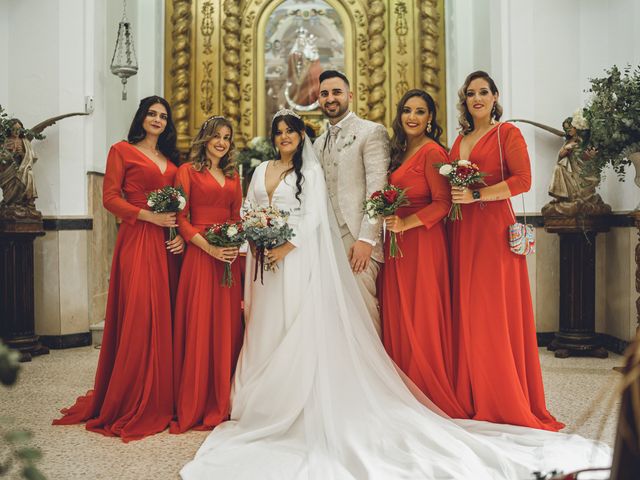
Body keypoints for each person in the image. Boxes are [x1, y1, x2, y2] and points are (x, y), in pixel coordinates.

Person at [179, 109, 610, 480]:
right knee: (263, 327)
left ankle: (290, 397)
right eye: (279, 132)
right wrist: (259, 237)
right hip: (262, 261)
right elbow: (249, 210)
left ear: (300, 136)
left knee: (297, 325)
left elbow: (314, 217)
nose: (285, 137)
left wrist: (286, 246)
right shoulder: (257, 171)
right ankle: (256, 398)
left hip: (295, 258)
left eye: (291, 131)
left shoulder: (315, 167)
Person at [53, 96, 184, 442]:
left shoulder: (171, 161)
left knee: (165, 316)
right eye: (151, 114)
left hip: (166, 244)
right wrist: (148, 216)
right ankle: (130, 395)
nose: (157, 120)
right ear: (141, 118)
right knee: (140, 313)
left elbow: (179, 205)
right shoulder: (121, 151)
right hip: (138, 238)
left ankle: (160, 393)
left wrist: (177, 235)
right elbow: (109, 198)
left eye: (162, 116)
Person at [448, 70, 563, 431]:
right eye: (471, 93)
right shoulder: (460, 139)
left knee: (491, 312)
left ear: (496, 97)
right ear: (464, 100)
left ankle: (501, 397)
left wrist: (477, 194)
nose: (477, 98)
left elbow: (523, 180)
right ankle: (471, 393)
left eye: (484, 92)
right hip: (461, 231)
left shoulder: (506, 133)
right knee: (466, 310)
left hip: (492, 230)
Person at [380, 89, 466, 418]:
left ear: (430, 118)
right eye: (407, 110)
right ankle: (401, 389)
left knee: (421, 315)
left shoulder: (432, 152)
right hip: (398, 245)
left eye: (420, 111)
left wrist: (406, 224)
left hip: (424, 244)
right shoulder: (400, 151)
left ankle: (426, 391)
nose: (412, 117)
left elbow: (443, 204)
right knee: (399, 314)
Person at [170, 116, 244, 433]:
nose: (221, 142)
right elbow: (181, 219)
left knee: (226, 327)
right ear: (205, 138)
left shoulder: (232, 175)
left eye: (227, 137)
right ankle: (195, 400)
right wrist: (209, 248)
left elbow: (237, 216)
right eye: (216, 135)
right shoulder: (187, 172)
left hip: (227, 259)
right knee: (199, 325)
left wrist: (231, 244)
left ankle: (221, 398)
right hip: (200, 259)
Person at [313, 70, 389, 336]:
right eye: (324, 94)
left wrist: (367, 240)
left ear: (350, 96)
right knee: (333, 315)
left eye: (336, 92)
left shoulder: (371, 132)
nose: (330, 98)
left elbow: (377, 190)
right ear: (318, 100)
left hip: (358, 239)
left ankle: (371, 376)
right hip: (327, 241)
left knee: (364, 314)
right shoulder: (318, 143)